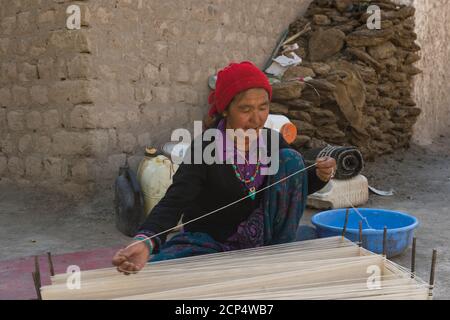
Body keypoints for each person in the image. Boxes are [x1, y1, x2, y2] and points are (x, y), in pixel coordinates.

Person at [112, 61, 336, 275]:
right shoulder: (206, 148)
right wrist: (146, 240)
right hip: (212, 242)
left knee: (292, 159)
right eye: (245, 109)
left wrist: (319, 175)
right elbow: (175, 200)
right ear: (226, 109)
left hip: (263, 242)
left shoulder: (272, 141)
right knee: (163, 274)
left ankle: (274, 257)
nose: (256, 119)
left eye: (263, 107)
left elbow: (292, 187)